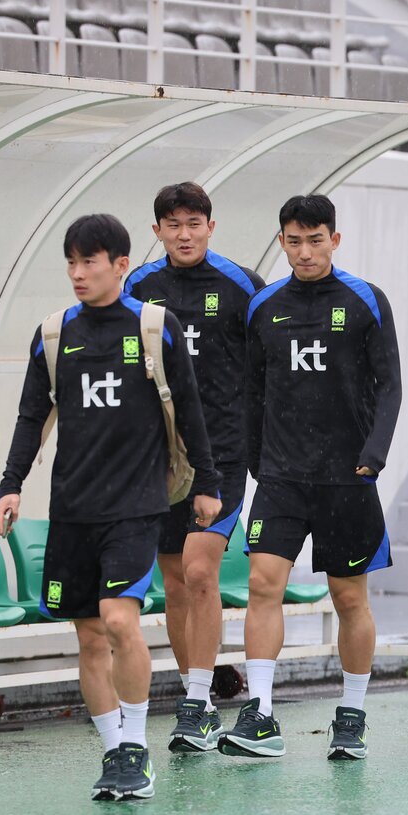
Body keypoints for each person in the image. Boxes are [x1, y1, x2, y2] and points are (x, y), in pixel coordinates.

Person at [0, 214, 223, 801]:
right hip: (72, 508)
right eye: (71, 262)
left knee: (120, 620)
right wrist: (10, 484)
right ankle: (114, 749)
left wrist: (207, 481)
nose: (78, 273)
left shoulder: (154, 327)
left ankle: (137, 748)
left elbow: (190, 408)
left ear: (120, 266)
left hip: (136, 506)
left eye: (89, 262)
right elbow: (30, 416)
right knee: (91, 638)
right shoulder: (53, 334)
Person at [222, 194, 401, 761]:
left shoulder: (366, 300)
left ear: (334, 240)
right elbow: (252, 389)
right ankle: (261, 714)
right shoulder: (264, 305)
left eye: (315, 240)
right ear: (282, 242)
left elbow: (390, 386)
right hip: (281, 476)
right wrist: (256, 459)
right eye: (294, 241)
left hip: (347, 478)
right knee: (261, 584)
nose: (304, 252)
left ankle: (352, 715)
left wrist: (374, 455)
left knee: (348, 597)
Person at [123, 182, 264, 753]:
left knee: (201, 570)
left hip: (223, 453)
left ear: (211, 226)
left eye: (194, 223)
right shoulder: (138, 287)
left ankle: (197, 699)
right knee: (176, 579)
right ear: (157, 231)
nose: (184, 235)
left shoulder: (242, 285)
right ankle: (198, 702)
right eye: (173, 225)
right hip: (159, 457)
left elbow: (267, 363)